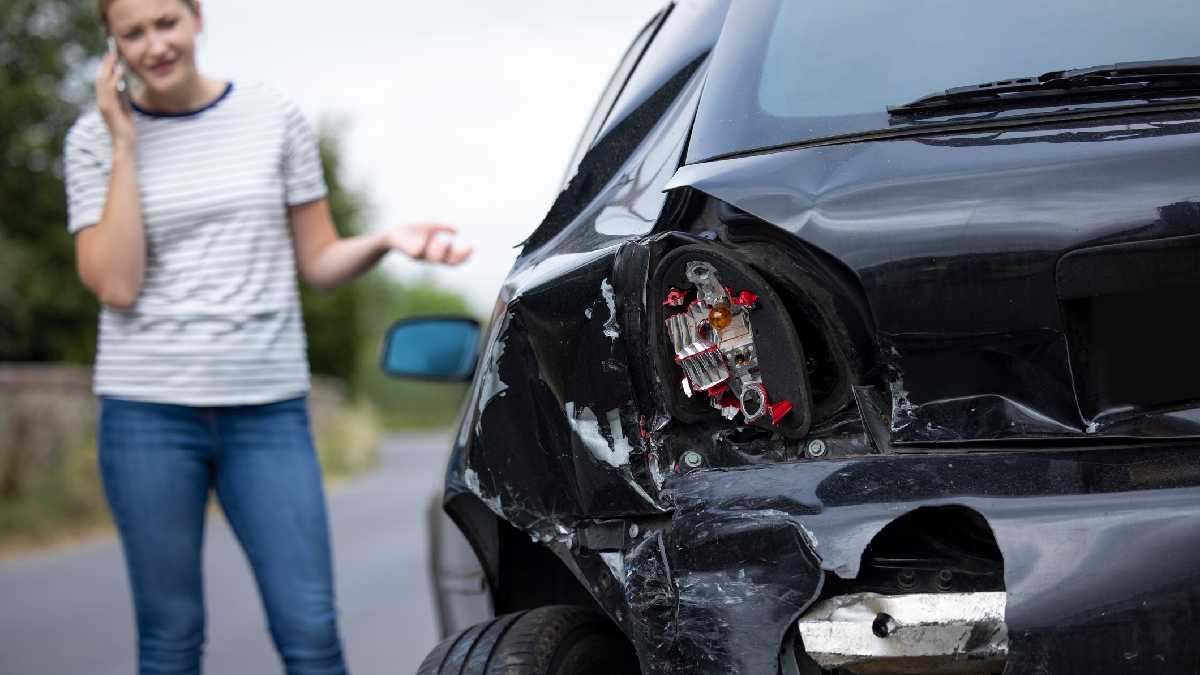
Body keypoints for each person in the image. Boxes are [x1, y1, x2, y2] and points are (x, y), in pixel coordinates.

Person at [63, 1, 472, 673]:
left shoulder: (270, 115)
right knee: (170, 637)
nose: (155, 44)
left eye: (166, 21)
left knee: (310, 630)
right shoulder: (92, 139)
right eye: (132, 32)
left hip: (267, 409)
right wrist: (125, 144)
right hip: (146, 412)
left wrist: (385, 241)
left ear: (196, 16)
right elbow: (117, 284)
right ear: (112, 43)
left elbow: (318, 261)